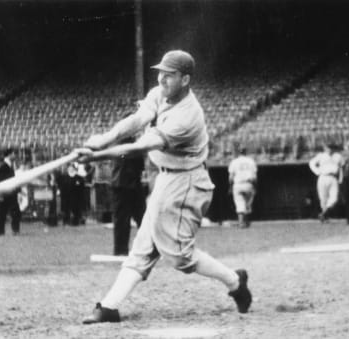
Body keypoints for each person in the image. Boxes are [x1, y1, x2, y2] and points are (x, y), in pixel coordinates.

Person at [75, 50, 252, 324]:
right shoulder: (161, 93)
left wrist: (97, 154)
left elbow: (140, 146)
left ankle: (235, 282)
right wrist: (105, 138)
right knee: (143, 247)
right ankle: (109, 306)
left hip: (187, 182)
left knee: (180, 257)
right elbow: (138, 119)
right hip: (166, 178)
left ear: (185, 79)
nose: (161, 79)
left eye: (169, 75)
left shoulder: (187, 116)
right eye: (161, 73)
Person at [111, 135, 147, 255]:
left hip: (126, 184)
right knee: (139, 218)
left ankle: (121, 249)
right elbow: (140, 164)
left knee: (126, 220)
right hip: (125, 184)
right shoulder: (131, 146)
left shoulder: (120, 144)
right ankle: (147, 247)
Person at [308, 143, 343, 222]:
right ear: (325, 148)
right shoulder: (321, 156)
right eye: (328, 148)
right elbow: (311, 163)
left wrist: (340, 179)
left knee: (334, 198)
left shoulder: (338, 156)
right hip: (323, 177)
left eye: (331, 148)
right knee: (323, 198)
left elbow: (341, 168)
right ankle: (325, 216)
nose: (330, 150)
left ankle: (324, 213)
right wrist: (317, 172)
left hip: (333, 177)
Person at [228, 146, 257, 228]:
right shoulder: (251, 161)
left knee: (240, 203)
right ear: (246, 152)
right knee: (247, 204)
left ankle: (241, 223)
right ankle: (246, 222)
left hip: (238, 184)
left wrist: (230, 187)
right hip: (248, 183)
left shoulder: (234, 161)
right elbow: (255, 177)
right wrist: (255, 186)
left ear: (238, 152)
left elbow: (230, 177)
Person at [0, 148, 21, 236]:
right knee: (2, 213)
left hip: (11, 193)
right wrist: (1, 194)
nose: (15, 155)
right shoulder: (3, 166)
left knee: (15, 212)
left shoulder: (10, 166)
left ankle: (14, 230)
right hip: (6, 193)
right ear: (9, 155)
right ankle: (0, 231)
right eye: (13, 153)